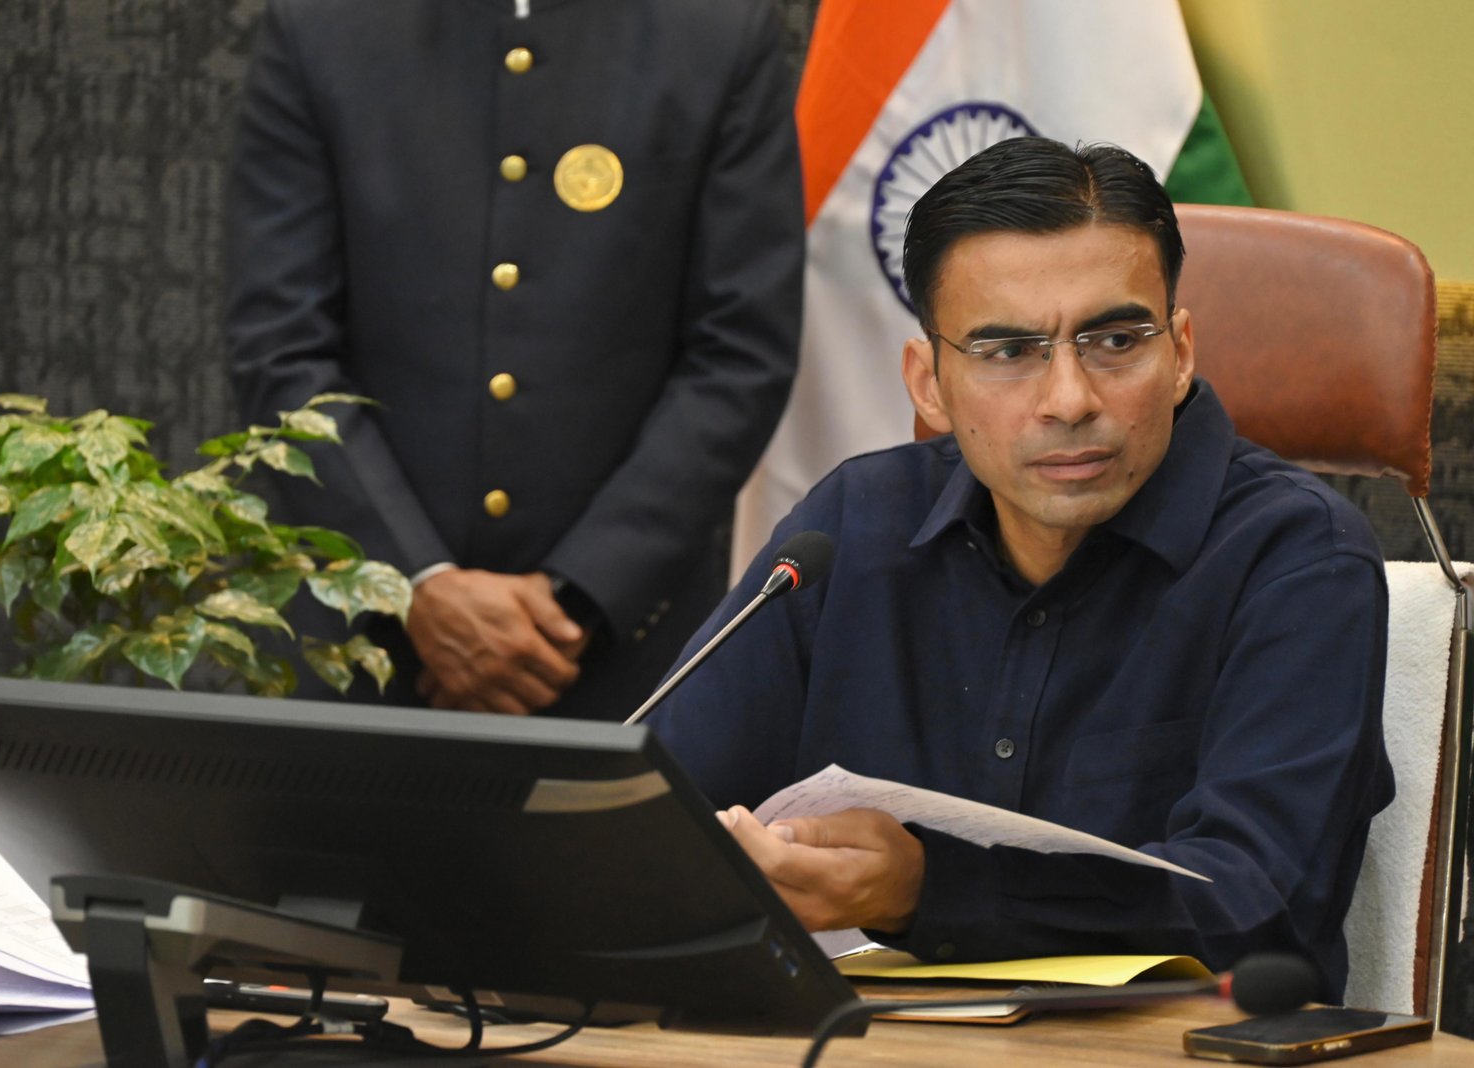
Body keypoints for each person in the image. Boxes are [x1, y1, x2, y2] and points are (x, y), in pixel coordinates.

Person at [647, 137, 1393, 1001]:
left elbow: (1257, 908)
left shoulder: (1299, 559)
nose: (1070, 399)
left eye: (1115, 340)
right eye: (1008, 351)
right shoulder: (853, 525)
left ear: (1181, 352)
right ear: (929, 384)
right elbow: (649, 808)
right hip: (863, 1047)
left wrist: (929, 891)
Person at [225, 0, 803, 719]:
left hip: (615, 653)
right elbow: (279, 347)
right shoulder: (323, 25)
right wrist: (414, 585)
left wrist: (574, 599)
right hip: (362, 653)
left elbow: (741, 352)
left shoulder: (717, 30)